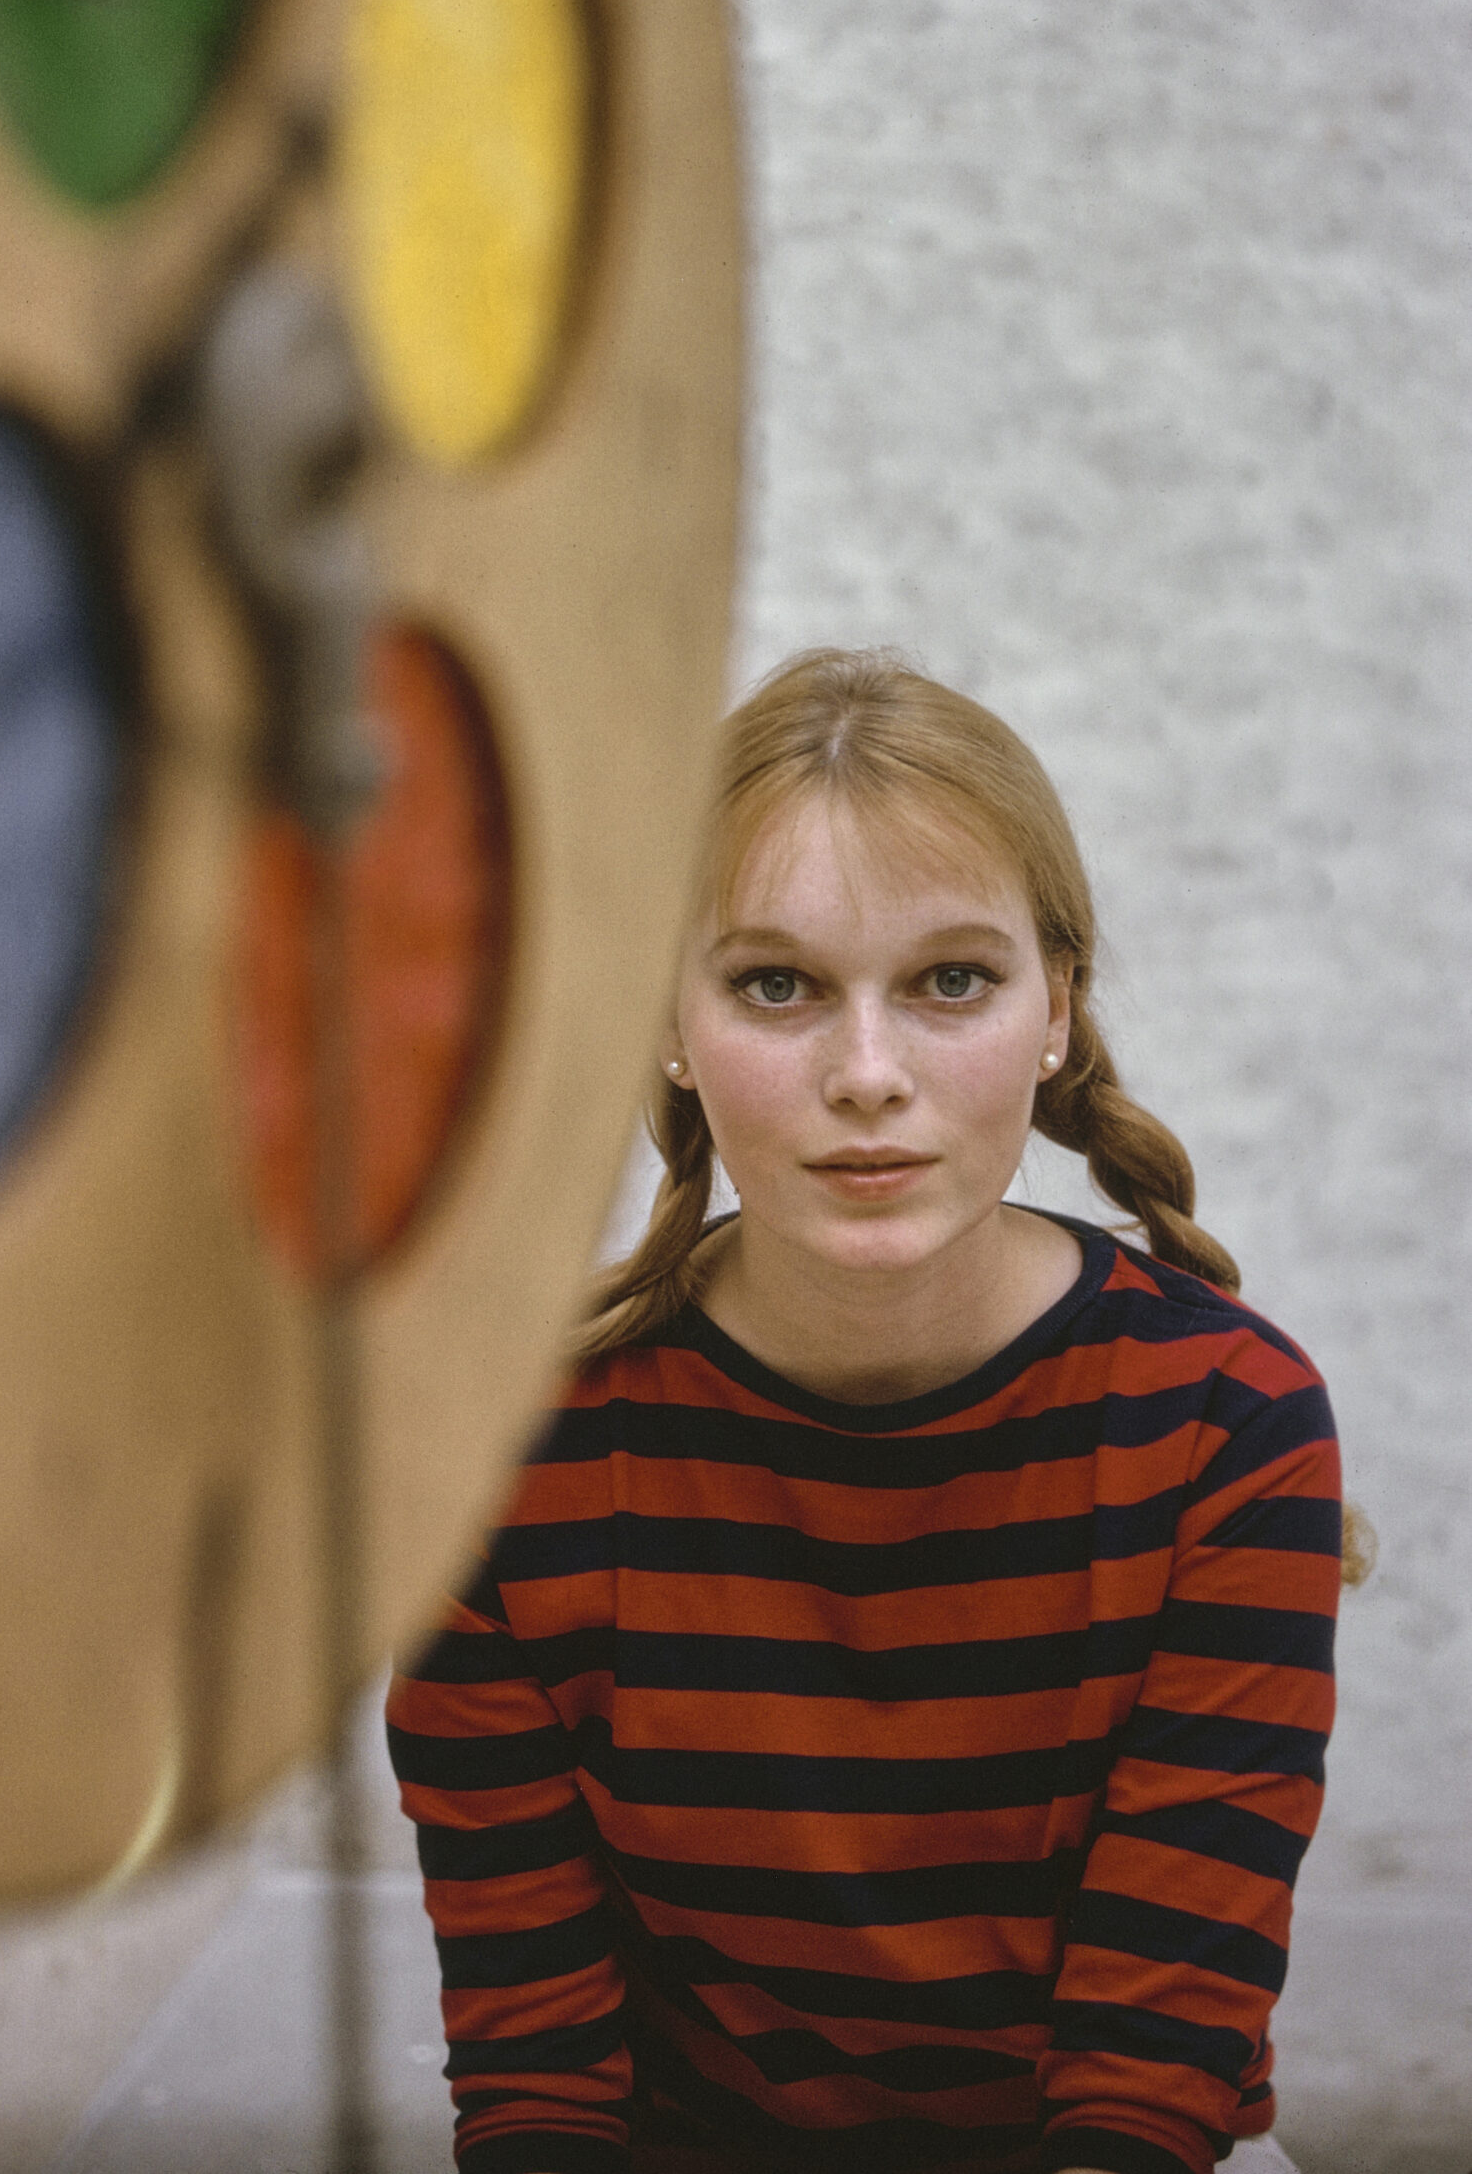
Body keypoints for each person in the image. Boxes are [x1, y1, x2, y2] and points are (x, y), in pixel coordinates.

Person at [387, 649, 1341, 2174]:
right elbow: (542, 2090)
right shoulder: (506, 1468)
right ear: (671, 1022)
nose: (868, 1075)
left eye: (951, 981)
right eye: (777, 986)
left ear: (1056, 1011)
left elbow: (1146, 2086)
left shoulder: (1229, 1428)